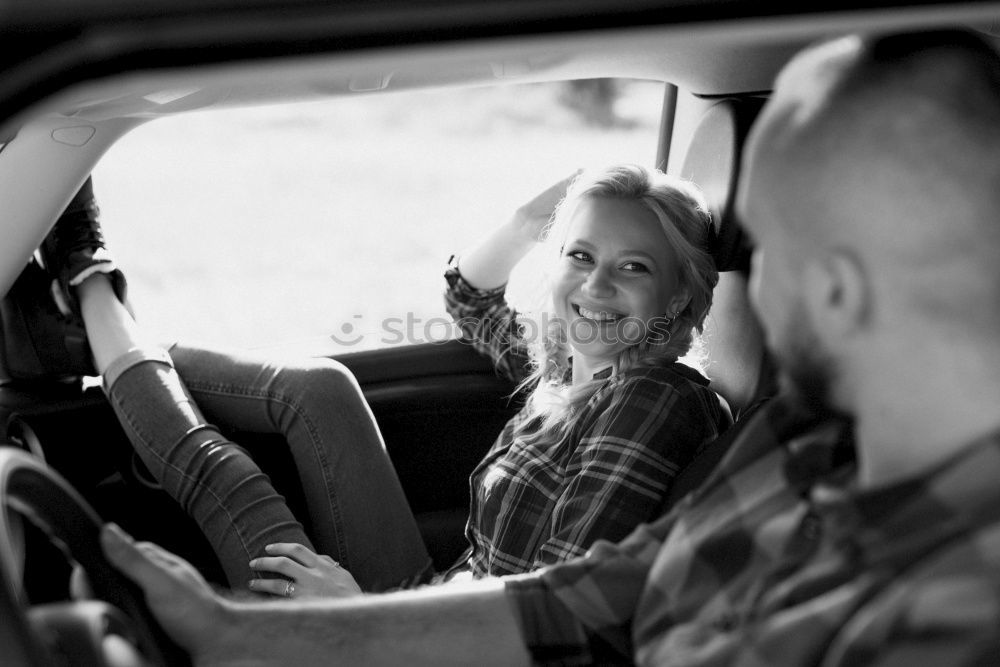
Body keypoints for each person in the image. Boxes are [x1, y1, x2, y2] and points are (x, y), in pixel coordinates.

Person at [100, 28, 1000, 666]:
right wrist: (247, 635)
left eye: (770, 253)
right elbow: (581, 602)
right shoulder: (792, 454)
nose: (753, 291)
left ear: (836, 288)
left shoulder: (953, 611)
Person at [37, 164, 725, 597]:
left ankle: (90, 288)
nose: (596, 284)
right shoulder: (573, 365)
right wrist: (528, 222)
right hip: (442, 606)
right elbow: (471, 297)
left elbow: (552, 607)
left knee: (225, 478)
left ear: (675, 299)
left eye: (634, 267)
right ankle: (103, 323)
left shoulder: (653, 398)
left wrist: (360, 614)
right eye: (580, 254)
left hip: (456, 645)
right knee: (323, 388)